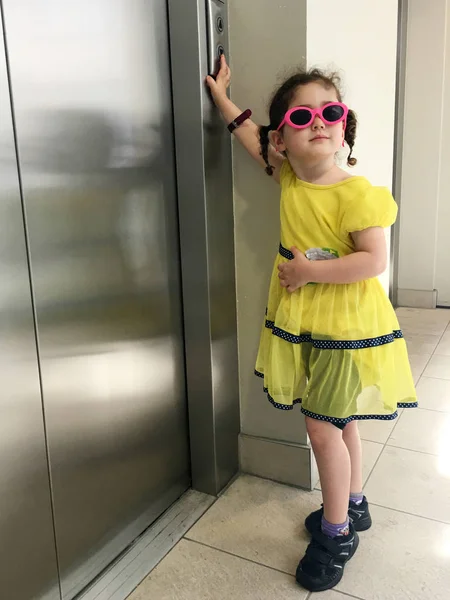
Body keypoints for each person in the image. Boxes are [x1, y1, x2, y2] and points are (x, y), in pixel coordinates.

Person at [206, 54, 417, 593]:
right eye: (300, 118)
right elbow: (251, 136)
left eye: (329, 112)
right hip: (310, 322)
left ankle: (338, 530)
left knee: (322, 427)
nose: (317, 122)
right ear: (284, 141)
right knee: (342, 420)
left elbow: (373, 262)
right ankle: (356, 503)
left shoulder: (357, 193)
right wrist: (222, 97)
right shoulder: (291, 181)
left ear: (345, 126)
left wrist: (308, 269)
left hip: (346, 326)